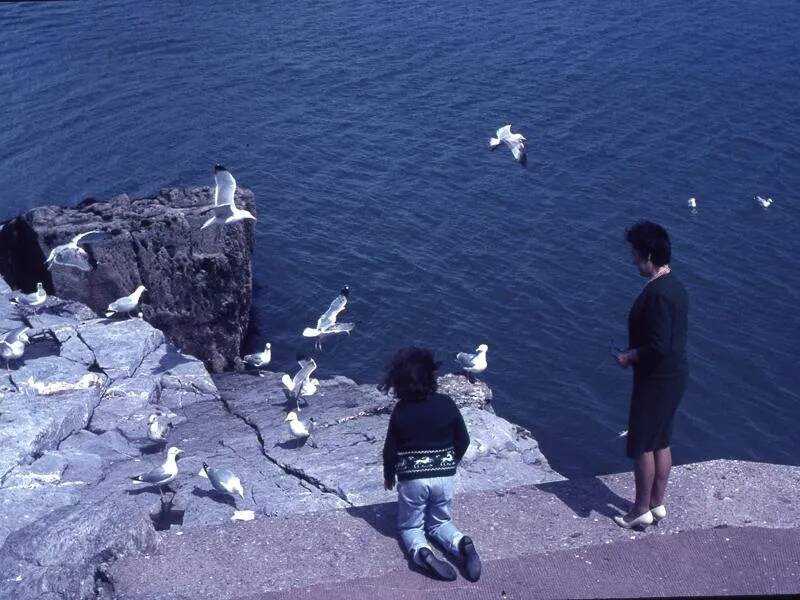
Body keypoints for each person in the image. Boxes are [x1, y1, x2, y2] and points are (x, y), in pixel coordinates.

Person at [380, 347, 481, 582]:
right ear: (431, 376)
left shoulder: (401, 411)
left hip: (413, 480)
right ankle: (460, 543)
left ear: (399, 382)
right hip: (443, 476)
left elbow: (390, 449)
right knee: (440, 522)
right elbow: (463, 440)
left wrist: (389, 474)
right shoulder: (446, 403)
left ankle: (422, 552)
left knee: (411, 527)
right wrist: (449, 463)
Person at [613, 221, 689, 529]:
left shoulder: (657, 294)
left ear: (647, 255)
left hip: (656, 379)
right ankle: (657, 503)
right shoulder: (676, 286)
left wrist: (629, 356)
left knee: (642, 442)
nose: (632, 259)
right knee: (661, 439)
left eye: (634, 253)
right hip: (673, 376)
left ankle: (639, 510)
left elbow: (659, 345)